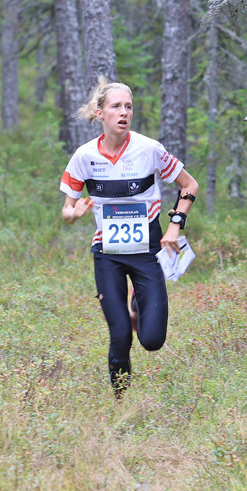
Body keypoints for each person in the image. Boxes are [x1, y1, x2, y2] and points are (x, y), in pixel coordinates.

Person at [60, 79, 199, 399]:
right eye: (115, 106)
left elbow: (189, 185)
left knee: (151, 340)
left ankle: (136, 299)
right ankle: (120, 404)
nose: (124, 113)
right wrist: (75, 213)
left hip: (147, 249)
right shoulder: (83, 157)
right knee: (120, 333)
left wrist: (175, 226)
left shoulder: (149, 149)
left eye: (129, 107)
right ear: (100, 113)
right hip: (106, 251)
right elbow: (66, 211)